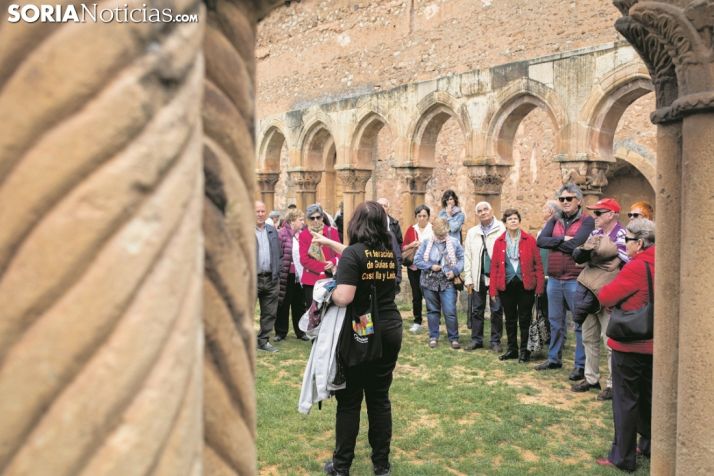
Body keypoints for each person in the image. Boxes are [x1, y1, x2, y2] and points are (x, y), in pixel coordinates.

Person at [318, 201, 403, 476]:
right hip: (389, 327)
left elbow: (345, 296)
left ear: (355, 224)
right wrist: (338, 259)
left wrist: (326, 292)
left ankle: (341, 466)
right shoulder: (388, 252)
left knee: (350, 400)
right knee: (379, 398)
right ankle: (381, 466)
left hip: (361, 330)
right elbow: (362, 260)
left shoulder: (354, 254)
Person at [595, 218, 655, 472]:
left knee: (625, 401)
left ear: (639, 243)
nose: (624, 244)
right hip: (655, 346)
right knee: (649, 400)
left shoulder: (637, 266)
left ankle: (623, 456)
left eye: (627, 240)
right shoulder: (665, 260)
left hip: (631, 346)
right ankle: (650, 444)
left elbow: (607, 295)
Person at [571, 198, 628, 400]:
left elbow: (625, 262)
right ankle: (591, 378)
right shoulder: (595, 233)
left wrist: (595, 256)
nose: (593, 217)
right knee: (588, 337)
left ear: (611, 214)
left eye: (598, 213)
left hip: (609, 293)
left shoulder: (622, 234)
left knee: (609, 340)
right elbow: (583, 256)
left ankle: (613, 384)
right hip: (589, 290)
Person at [535, 183, 594, 377]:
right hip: (554, 279)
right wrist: (563, 240)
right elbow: (541, 241)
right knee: (555, 321)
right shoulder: (555, 219)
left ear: (578, 201)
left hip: (574, 279)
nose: (565, 202)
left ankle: (580, 365)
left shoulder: (586, 221)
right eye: (562, 199)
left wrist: (561, 243)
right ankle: (554, 359)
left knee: (579, 324)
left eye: (569, 199)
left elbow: (578, 246)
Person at [489, 209, 544, 362]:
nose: (513, 221)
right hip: (506, 286)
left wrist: (539, 287)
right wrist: (493, 290)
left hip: (525, 286)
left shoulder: (529, 240)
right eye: (510, 219)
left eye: (515, 218)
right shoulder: (499, 242)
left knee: (525, 319)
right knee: (510, 319)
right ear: (505, 223)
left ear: (519, 221)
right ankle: (512, 349)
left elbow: (538, 264)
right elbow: (494, 267)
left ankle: (524, 351)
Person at [414, 217, 464, 349]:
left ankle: (453, 338)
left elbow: (462, 259)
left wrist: (455, 271)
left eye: (443, 234)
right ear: (433, 231)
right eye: (439, 234)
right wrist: (431, 266)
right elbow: (417, 260)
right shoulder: (426, 243)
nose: (441, 236)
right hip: (429, 282)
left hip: (447, 282)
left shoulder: (454, 242)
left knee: (450, 311)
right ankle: (433, 336)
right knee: (432, 311)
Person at [463, 201, 506, 352]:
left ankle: (495, 341)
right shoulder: (472, 232)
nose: (483, 212)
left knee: (496, 309)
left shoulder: (502, 229)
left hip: (495, 276)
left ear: (492, 210)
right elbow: (467, 256)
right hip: (477, 275)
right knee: (477, 309)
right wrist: (468, 278)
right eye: (479, 211)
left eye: (485, 209)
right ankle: (476, 339)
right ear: (477, 214)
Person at [275, 209, 310, 342]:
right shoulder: (282, 234)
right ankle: (280, 332)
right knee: (283, 303)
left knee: (299, 304)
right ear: (292, 221)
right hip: (286, 274)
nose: (303, 222)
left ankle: (301, 332)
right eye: (300, 219)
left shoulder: (302, 234)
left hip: (300, 276)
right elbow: (279, 254)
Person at [299, 204, 341, 306]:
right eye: (312, 218)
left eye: (318, 217)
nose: (315, 220)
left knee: (329, 312)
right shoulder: (304, 235)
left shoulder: (332, 232)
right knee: (313, 313)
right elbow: (304, 260)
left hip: (330, 279)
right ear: (308, 219)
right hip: (311, 280)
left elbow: (340, 253)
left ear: (322, 217)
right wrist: (324, 266)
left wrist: (334, 261)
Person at [255, 201, 282, 353]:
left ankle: (263, 341)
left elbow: (279, 254)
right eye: (257, 211)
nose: (260, 214)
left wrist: (277, 272)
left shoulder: (272, 231)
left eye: (262, 211)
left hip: (271, 279)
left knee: (270, 312)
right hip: (252, 279)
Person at [402, 205, 433, 333]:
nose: (421, 218)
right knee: (416, 295)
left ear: (428, 217)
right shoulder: (411, 229)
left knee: (430, 295)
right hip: (414, 267)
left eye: (424, 216)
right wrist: (412, 244)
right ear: (416, 217)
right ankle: (417, 321)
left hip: (428, 266)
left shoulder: (432, 229)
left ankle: (433, 320)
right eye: (419, 216)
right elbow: (403, 248)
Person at [377, 198, 403, 289]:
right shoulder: (370, 223)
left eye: (385, 206)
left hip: (390, 262)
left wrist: (398, 275)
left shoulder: (394, 223)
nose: (382, 208)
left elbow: (399, 244)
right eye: (380, 205)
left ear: (388, 208)